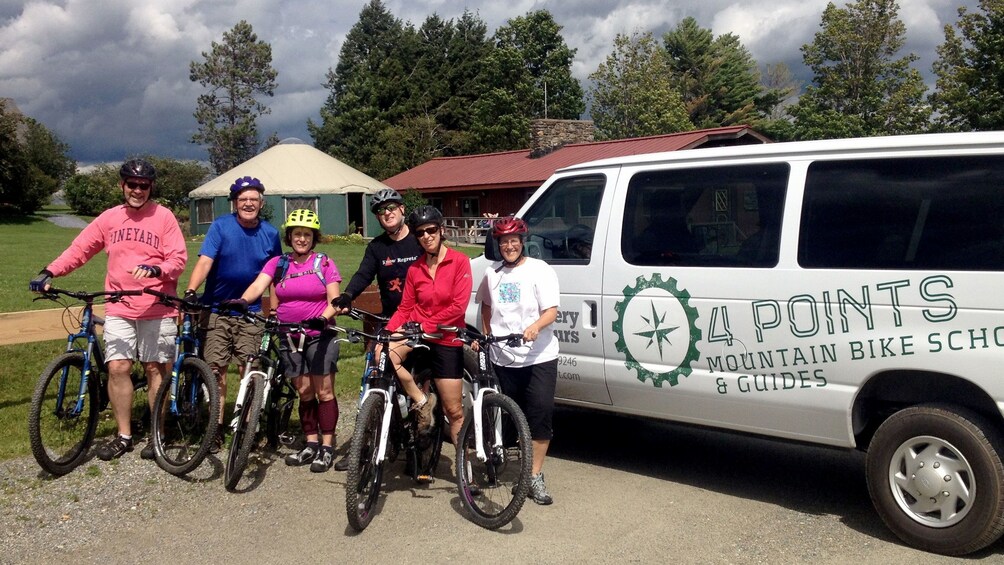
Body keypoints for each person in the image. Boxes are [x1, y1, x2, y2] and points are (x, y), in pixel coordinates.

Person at [28, 158, 188, 462]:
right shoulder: (109, 218)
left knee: (155, 368)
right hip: (119, 306)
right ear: (122, 185)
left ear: (151, 188)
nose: (137, 190)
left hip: (157, 307)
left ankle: (158, 434)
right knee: (117, 368)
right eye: (132, 185)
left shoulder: (164, 217)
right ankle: (124, 435)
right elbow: (80, 249)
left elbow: (178, 259)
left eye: (143, 186)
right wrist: (49, 272)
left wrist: (157, 269)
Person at [223, 209, 342, 472]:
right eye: (297, 234)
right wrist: (243, 300)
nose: (301, 238)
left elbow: (335, 300)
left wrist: (322, 319)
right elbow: (258, 285)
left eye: (307, 234)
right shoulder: (279, 264)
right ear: (289, 236)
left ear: (314, 238)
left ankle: (327, 446)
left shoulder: (324, 263)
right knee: (304, 391)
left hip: (319, 335)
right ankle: (310, 443)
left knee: (324, 391)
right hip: (289, 334)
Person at [184, 176, 282, 451]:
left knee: (249, 369)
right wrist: (192, 290)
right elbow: (205, 261)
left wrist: (273, 309)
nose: (248, 204)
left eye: (253, 199)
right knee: (215, 370)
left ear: (261, 203)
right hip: (216, 309)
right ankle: (214, 427)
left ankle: (247, 428)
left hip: (249, 311)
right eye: (243, 199)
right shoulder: (221, 226)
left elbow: (275, 273)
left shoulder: (270, 233)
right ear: (234, 203)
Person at [330, 188, 421, 471]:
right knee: (372, 374)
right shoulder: (377, 247)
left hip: (420, 321)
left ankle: (418, 445)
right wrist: (347, 295)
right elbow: (363, 274)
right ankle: (363, 443)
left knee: (422, 382)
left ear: (403, 210)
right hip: (390, 319)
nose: (387, 213)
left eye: (392, 207)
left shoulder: (419, 241)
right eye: (381, 211)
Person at [474, 216, 559, 505]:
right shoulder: (492, 273)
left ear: (523, 242)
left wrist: (535, 327)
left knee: (540, 413)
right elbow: (486, 305)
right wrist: (485, 335)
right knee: (506, 416)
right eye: (503, 242)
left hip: (538, 357)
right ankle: (500, 460)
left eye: (514, 241)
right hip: (503, 356)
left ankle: (534, 476)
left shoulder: (540, 270)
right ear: (498, 245)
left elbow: (551, 311)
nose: (509, 246)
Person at [384, 205, 472, 447]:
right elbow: (405, 308)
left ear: (441, 230)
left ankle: (465, 470)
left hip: (445, 337)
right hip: (418, 334)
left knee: (454, 410)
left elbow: (458, 307)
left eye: (431, 230)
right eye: (420, 233)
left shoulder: (460, 262)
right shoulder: (415, 268)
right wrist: (388, 332)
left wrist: (426, 325)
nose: (426, 236)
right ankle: (421, 400)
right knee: (386, 353)